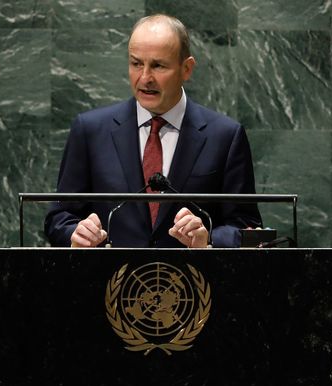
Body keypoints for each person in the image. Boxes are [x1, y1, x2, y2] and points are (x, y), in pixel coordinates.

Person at [44, 14, 262, 248]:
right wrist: (77, 234)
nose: (145, 78)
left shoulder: (225, 136)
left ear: (186, 69)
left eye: (158, 66)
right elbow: (59, 218)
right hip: (110, 281)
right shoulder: (90, 131)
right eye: (136, 63)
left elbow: (245, 225)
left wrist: (207, 239)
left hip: (191, 281)